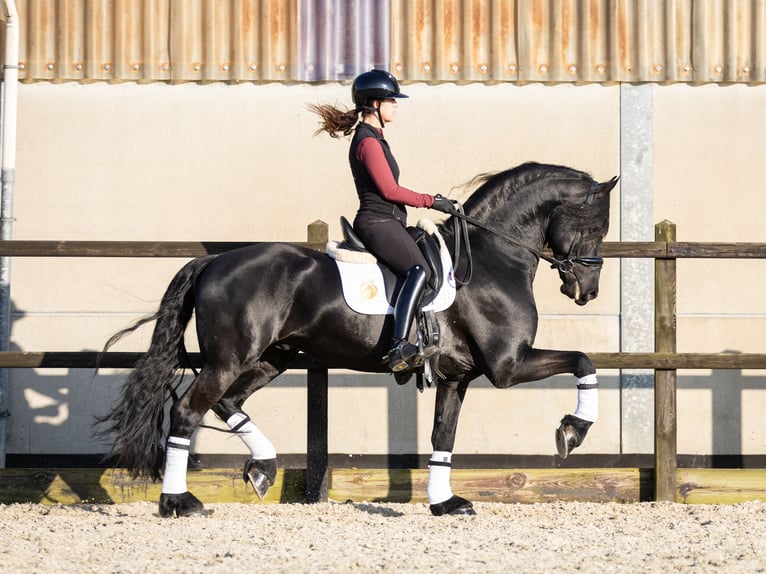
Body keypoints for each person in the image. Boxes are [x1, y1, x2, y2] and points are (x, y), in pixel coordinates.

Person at [310, 69, 454, 372]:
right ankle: (399, 345)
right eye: (391, 100)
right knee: (419, 270)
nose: (396, 105)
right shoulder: (368, 142)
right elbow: (390, 190)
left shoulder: (375, 138)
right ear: (373, 103)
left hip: (388, 222)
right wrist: (432, 201)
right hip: (377, 222)